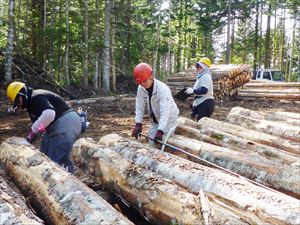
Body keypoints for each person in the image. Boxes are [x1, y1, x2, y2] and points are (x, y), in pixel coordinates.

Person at [6, 81, 82, 173]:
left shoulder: (36, 97)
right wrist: (31, 138)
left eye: (18, 101)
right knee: (44, 155)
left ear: (22, 93)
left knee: (57, 161)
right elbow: (41, 125)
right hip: (56, 125)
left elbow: (49, 114)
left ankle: (65, 184)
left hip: (66, 122)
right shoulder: (31, 105)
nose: (19, 105)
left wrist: (33, 130)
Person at [131, 63, 179, 146]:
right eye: (140, 82)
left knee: (166, 146)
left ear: (151, 76)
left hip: (169, 121)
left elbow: (165, 112)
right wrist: (138, 123)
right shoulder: (141, 88)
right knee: (152, 145)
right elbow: (139, 106)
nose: (143, 84)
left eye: (144, 81)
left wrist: (160, 131)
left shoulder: (163, 89)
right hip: (155, 121)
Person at [185, 57, 215, 121]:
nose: (198, 68)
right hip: (202, 102)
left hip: (206, 103)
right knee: (199, 123)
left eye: (201, 67)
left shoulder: (206, 76)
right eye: (198, 67)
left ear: (205, 67)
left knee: (201, 124)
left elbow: (204, 90)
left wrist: (193, 91)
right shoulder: (201, 76)